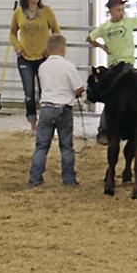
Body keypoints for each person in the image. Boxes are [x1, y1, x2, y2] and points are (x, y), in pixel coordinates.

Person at [87, 0, 137, 144]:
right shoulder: (105, 27)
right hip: (115, 67)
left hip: (126, 65)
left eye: (122, 9)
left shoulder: (128, 22)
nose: (121, 12)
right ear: (110, 11)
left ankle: (114, 130)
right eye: (118, 10)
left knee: (119, 99)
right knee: (113, 100)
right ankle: (105, 131)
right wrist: (101, 46)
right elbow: (90, 38)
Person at [27, 33, 84, 188]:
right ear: (63, 48)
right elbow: (78, 88)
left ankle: (35, 178)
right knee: (66, 146)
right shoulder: (68, 66)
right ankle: (68, 179)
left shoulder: (42, 66)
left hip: (46, 107)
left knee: (41, 146)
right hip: (64, 108)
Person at [8, 0, 61, 132]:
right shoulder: (18, 12)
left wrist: (50, 48)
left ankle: (47, 122)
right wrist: (17, 46)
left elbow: (56, 31)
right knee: (29, 92)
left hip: (44, 58)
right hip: (25, 58)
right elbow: (12, 33)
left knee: (46, 91)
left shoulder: (46, 11)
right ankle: (33, 125)